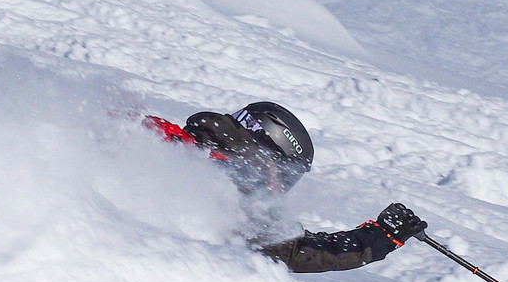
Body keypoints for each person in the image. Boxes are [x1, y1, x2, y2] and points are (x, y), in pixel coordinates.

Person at [144, 101, 427, 273]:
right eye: (284, 174)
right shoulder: (230, 181)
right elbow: (294, 252)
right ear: (267, 155)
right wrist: (381, 238)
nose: (279, 185)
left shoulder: (181, 142)